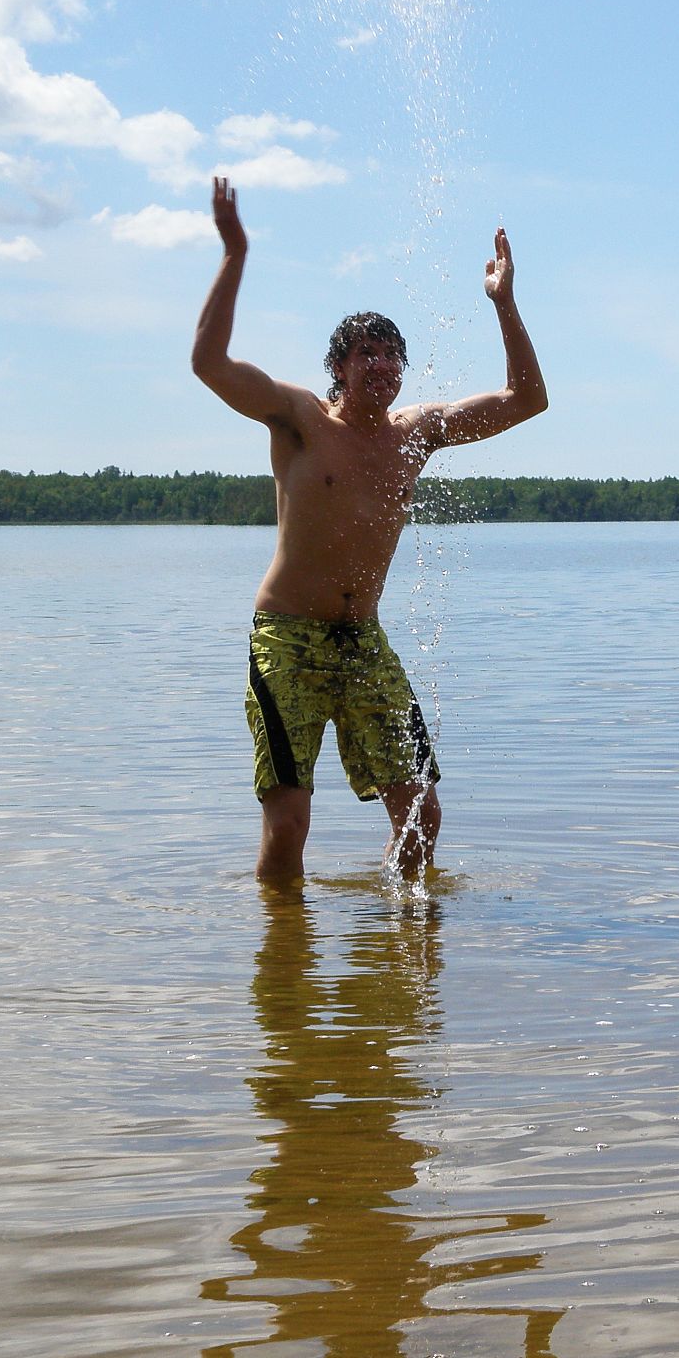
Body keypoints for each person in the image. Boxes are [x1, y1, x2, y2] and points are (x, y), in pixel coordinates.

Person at [192, 177, 547, 884]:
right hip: (288, 639)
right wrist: (234, 254)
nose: (382, 365)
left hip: (363, 643)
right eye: (367, 354)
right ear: (340, 367)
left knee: (422, 818)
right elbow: (209, 364)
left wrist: (503, 303)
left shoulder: (417, 435)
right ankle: (284, 946)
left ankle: (393, 944)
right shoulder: (300, 420)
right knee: (289, 827)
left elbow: (526, 399)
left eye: (392, 354)